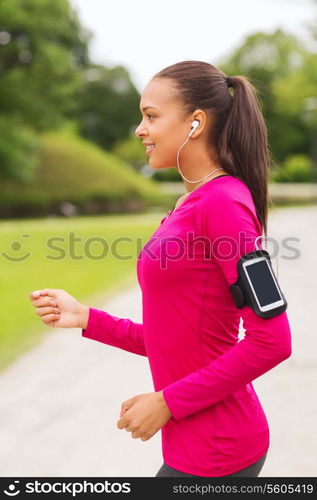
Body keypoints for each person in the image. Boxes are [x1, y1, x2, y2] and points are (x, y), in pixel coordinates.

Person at [29, 60, 292, 477]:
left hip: (219, 452)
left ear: (196, 123)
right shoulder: (190, 204)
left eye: (151, 116)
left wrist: (167, 401)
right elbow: (179, 339)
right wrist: (86, 318)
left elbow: (273, 341)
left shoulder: (224, 204)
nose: (139, 129)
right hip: (191, 448)